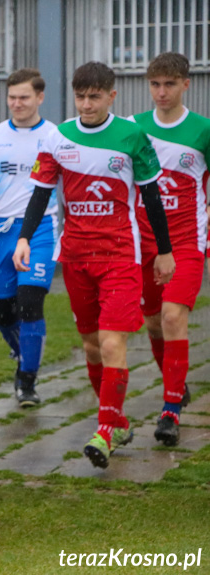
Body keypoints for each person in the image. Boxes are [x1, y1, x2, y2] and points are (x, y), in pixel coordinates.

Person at [14, 62, 175, 469]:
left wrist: (165, 250)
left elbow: (152, 197)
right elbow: (40, 194)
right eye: (80, 96)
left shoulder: (131, 137)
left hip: (121, 255)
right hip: (76, 257)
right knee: (91, 346)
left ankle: (104, 431)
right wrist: (24, 238)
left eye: (95, 97)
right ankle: (117, 422)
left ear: (111, 96)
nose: (87, 104)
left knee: (110, 342)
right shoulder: (57, 138)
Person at [0, 68, 60, 408]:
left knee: (31, 302)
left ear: (40, 97)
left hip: (40, 229)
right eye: (12, 97)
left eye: (24, 97)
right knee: (4, 313)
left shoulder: (53, 136)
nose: (17, 104)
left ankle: (27, 381)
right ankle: (24, 355)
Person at [130, 52, 210, 446]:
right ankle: (174, 383)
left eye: (169, 85)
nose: (161, 93)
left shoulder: (203, 130)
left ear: (186, 85)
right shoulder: (133, 128)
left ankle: (170, 410)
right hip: (142, 242)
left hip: (186, 243)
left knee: (173, 314)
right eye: (155, 85)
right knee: (153, 323)